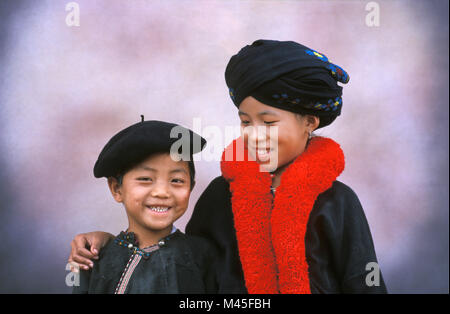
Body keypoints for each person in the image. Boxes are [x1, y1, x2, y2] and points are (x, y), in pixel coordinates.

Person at [69, 40, 387, 294]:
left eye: (269, 122)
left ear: (309, 122)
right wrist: (111, 242)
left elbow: (362, 281)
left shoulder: (338, 202)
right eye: (245, 122)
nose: (254, 135)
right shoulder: (224, 194)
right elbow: (180, 258)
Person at [71, 119, 218, 293]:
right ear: (117, 188)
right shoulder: (93, 259)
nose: (162, 192)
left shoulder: (204, 257)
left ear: (190, 188)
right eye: (145, 179)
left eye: (177, 181)